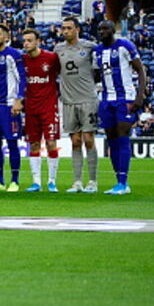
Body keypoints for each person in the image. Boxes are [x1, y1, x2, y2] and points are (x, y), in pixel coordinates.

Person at [93, 20, 147, 195]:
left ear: (112, 30)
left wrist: (140, 95)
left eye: (106, 29)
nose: (102, 32)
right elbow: (95, 75)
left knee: (123, 134)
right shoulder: (97, 52)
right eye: (100, 29)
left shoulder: (125, 46)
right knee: (112, 138)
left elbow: (140, 70)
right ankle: (119, 181)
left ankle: (123, 182)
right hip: (107, 99)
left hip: (126, 98)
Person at [56, 17, 99, 193]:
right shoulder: (58, 49)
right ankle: (77, 182)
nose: (65, 31)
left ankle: (93, 181)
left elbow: (97, 72)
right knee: (75, 141)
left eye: (69, 28)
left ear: (77, 29)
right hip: (68, 100)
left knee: (88, 139)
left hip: (88, 99)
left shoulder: (89, 47)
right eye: (63, 28)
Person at [0, 23, 26, 192]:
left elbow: (22, 78)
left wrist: (19, 100)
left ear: (6, 37)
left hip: (9, 106)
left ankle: (14, 181)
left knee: (12, 143)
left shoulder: (13, 55)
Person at [21, 29, 61, 192]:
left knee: (51, 143)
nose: (26, 44)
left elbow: (62, 75)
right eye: (24, 41)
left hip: (49, 107)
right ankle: (36, 182)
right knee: (34, 144)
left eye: (30, 40)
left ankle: (52, 181)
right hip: (31, 108)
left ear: (38, 41)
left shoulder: (51, 58)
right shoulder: (22, 60)